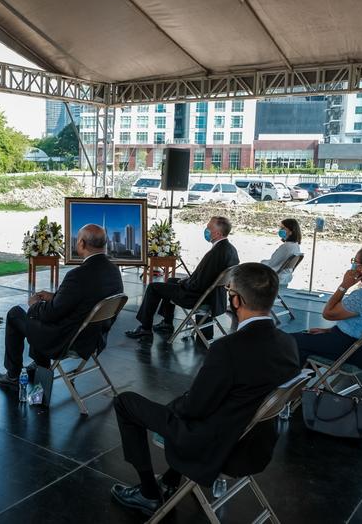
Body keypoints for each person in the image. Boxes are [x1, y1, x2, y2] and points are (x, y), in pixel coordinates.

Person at [110, 263, 299, 516]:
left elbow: (195, 408)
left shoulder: (229, 349)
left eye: (229, 292)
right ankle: (169, 480)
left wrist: (172, 408)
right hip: (255, 444)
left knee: (126, 403)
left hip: (215, 447)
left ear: (236, 300)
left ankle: (148, 493)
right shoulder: (288, 343)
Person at [0, 224, 123, 387]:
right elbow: (84, 301)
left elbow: (51, 314)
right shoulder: (113, 270)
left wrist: (35, 304)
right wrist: (54, 297)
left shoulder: (77, 275)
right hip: (93, 339)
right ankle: (39, 364)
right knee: (41, 315)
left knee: (16, 314)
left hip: (66, 340)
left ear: (82, 244)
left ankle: (13, 376)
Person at [125, 216, 239, 341]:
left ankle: (145, 328)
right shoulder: (230, 249)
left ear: (217, 233)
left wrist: (184, 283)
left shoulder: (216, 253)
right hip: (214, 296)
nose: (206, 230)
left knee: (153, 287)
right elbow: (207, 278)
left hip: (196, 296)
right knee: (171, 281)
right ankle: (167, 323)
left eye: (209, 228)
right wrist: (184, 281)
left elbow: (199, 284)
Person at [291, 246, 362, 370]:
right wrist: (329, 331)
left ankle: (291, 383)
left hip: (351, 349)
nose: (353, 265)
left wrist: (344, 285)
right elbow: (360, 324)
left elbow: (328, 313)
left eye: (355, 261)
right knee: (305, 347)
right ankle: (299, 382)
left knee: (289, 341)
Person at [261, 218, 302, 286]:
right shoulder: (295, 246)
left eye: (283, 228)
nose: (280, 230)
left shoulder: (286, 247)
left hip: (276, 276)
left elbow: (272, 264)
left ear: (291, 231)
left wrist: (261, 263)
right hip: (284, 277)